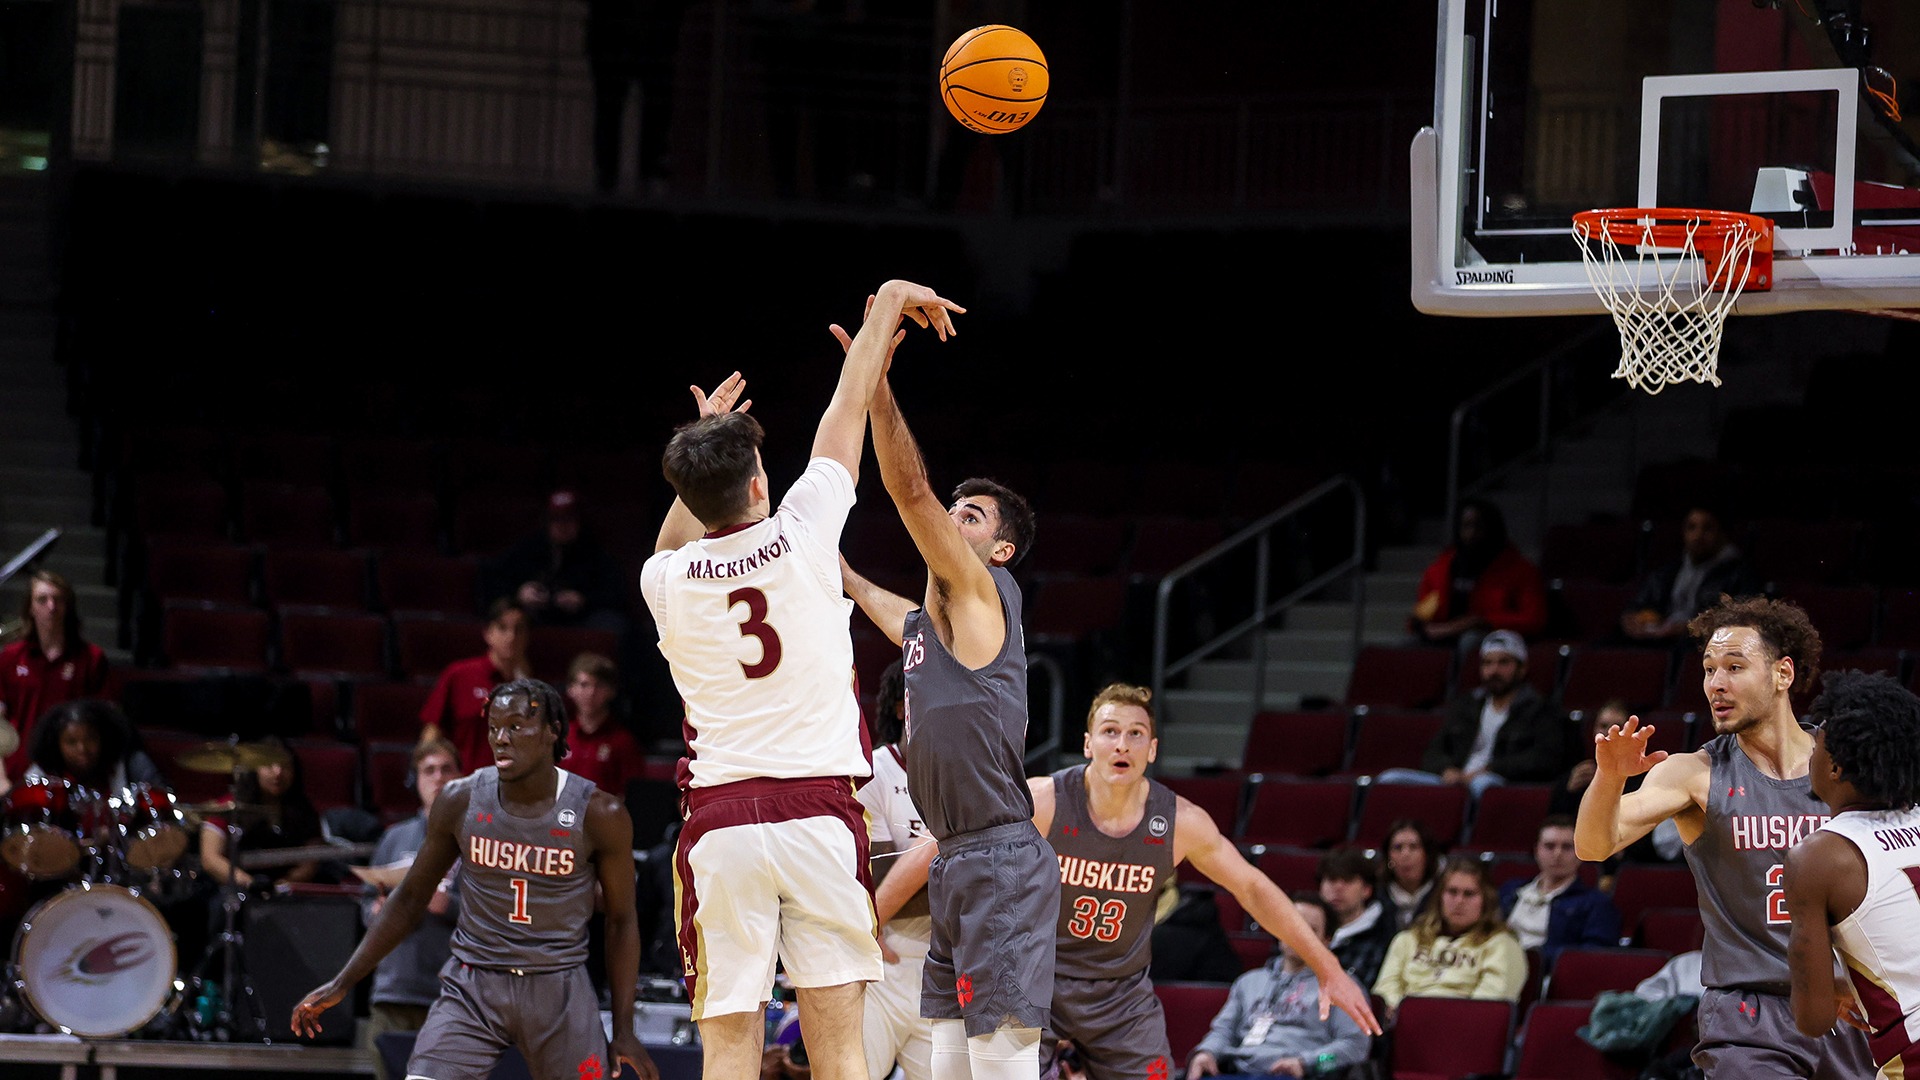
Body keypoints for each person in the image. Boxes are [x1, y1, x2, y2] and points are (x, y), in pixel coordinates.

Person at [641, 279, 962, 1080]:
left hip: (720, 822)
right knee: (840, 1050)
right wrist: (886, 301)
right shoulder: (804, 532)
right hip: (818, 812)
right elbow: (845, 411)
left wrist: (707, 438)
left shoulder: (666, 582)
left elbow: (670, 539)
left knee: (727, 1048)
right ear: (761, 484)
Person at [835, 296, 1058, 1079]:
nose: (951, 520)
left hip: (997, 856)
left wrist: (874, 384)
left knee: (1000, 1065)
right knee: (949, 1068)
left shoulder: (984, 594)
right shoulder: (935, 626)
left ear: (998, 550)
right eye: (955, 512)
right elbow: (883, 603)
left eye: (971, 516)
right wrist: (837, 572)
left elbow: (908, 489)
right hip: (955, 863)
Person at [1572, 594, 1873, 1078]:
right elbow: (1593, 845)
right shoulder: (1695, 773)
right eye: (1710, 669)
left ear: (1783, 674)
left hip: (1851, 1007)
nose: (1717, 683)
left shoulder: (1848, 765)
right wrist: (1609, 777)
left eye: (1735, 666)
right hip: (1749, 1015)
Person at [293, 679, 654, 1080]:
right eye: (494, 727)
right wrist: (344, 981)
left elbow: (622, 921)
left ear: (553, 729)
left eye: (517, 726)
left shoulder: (600, 813)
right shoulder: (460, 799)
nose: (501, 738)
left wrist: (624, 1029)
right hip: (475, 981)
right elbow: (411, 896)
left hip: (558, 985)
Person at [1026, 684, 1378, 1080]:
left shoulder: (1182, 821)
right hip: (1039, 981)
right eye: (1110, 731)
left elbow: (1253, 888)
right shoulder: (1043, 801)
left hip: (1119, 995)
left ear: (1153, 749)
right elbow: (963, 842)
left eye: (1136, 733)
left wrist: (1328, 966)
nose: (1122, 744)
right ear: (1089, 744)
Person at [1784, 670, 1920, 1070]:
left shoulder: (1818, 858)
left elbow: (1814, 1019)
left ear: (1836, 768)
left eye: (1818, 746)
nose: (1810, 753)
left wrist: (1822, 991)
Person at [358, 735, 464, 1080]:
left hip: (449, 995)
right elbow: (365, 903)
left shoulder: (477, 840)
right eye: (428, 770)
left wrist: (447, 904)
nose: (438, 777)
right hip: (394, 989)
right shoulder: (395, 838)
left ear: (460, 776)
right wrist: (376, 912)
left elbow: (495, 915)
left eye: (446, 769)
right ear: (416, 781)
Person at [1185, 894, 1374, 1079]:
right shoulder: (1248, 982)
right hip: (1236, 1070)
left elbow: (1355, 1048)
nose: (1298, 934)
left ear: (1327, 940)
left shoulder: (1343, 988)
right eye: (1292, 924)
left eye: (1310, 930)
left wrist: (1307, 1063)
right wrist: (1206, 1053)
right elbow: (1222, 1031)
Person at [1376, 629, 1568, 802]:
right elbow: (1434, 750)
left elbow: (1544, 758)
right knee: (1389, 779)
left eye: (1503, 663)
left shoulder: (1540, 709)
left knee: (1482, 785)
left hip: (1498, 782)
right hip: (1456, 779)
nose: (1494, 671)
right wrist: (1447, 769)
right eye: (1488, 663)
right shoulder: (1467, 704)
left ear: (1522, 668)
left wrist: (1492, 769)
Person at [859, 659, 935, 1080]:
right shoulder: (873, 773)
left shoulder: (969, 777)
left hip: (946, 967)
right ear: (900, 707)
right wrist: (948, 854)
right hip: (883, 961)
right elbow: (886, 886)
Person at [1371, 859, 1528, 1019]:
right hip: (1404, 1025)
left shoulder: (1502, 944)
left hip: (1465, 1030)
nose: (1459, 901)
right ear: (1440, 897)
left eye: (1469, 894)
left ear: (1486, 900)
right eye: (1452, 892)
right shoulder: (1408, 939)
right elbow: (1385, 989)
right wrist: (1404, 1014)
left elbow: (1489, 1005)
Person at [0, 569, 111, 790]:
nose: (51, 607)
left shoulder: (92, 658)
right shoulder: (9, 658)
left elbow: (102, 726)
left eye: (58, 599)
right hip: (17, 779)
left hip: (73, 781)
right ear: (30, 608)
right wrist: (1, 780)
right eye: (42, 599)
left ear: (68, 606)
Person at [1407, 497, 1546, 658]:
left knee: (1470, 641)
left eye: (1478, 526)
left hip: (1492, 635)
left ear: (1493, 529)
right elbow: (1426, 608)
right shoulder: (1441, 568)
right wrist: (1420, 624)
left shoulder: (1521, 570)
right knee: (1405, 646)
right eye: (1466, 526)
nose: (1471, 534)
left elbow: (1534, 620)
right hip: (1445, 633)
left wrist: (1481, 622)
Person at [582, 0, 694, 194]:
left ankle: (629, 176)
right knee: (616, 111)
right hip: (624, 37)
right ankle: (629, 176)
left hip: (631, 36)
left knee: (628, 110)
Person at [198, 734, 327, 895]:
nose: (278, 772)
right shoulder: (230, 805)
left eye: (285, 766)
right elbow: (210, 858)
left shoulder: (304, 811)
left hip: (286, 892)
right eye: (269, 765)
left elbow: (311, 861)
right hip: (239, 888)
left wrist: (285, 884)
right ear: (254, 769)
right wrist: (251, 884)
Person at [486, 489, 631, 632]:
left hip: (581, 620)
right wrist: (519, 593)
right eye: (556, 520)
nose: (562, 526)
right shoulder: (528, 548)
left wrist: (583, 600)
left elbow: (616, 593)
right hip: (534, 618)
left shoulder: (595, 552)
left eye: (568, 519)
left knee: (611, 622)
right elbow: (493, 579)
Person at [1621, 504, 1763, 647]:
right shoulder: (1668, 572)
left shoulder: (1740, 574)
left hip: (1704, 647)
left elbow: (1741, 621)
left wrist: (1689, 628)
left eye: (1707, 528)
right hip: (1659, 642)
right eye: (1691, 527)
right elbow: (1640, 605)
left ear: (1722, 533)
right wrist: (1631, 620)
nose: (1698, 535)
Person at [419, 598, 532, 774]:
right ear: (488, 633)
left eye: (518, 630)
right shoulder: (460, 675)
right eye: (502, 628)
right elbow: (432, 735)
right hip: (465, 787)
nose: (511, 637)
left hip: (511, 793)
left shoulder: (532, 688)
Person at [1496, 815, 1620, 963]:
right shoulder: (1510, 890)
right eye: (1549, 846)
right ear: (1537, 850)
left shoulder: (1597, 904)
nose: (1557, 854)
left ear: (1580, 852)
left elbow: (1592, 958)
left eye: (1567, 847)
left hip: (1546, 977)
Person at [22, 697, 167, 793]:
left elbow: (162, 804)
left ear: (104, 738)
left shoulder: (132, 764)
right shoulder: (42, 770)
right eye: (71, 742)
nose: (82, 749)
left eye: (90, 739)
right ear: (56, 745)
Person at [561, 651, 647, 796]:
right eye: (584, 684)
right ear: (571, 689)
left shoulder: (623, 742)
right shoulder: (560, 737)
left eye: (599, 686)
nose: (591, 692)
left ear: (611, 691)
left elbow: (634, 795)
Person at [1316, 847, 1400, 991]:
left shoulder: (1384, 935)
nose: (1338, 887)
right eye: (1331, 879)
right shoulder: (1304, 926)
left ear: (1367, 889)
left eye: (1348, 880)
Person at [1379, 819, 1441, 931]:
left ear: (1427, 855)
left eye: (1414, 847)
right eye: (1398, 848)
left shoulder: (1441, 893)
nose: (1405, 854)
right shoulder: (1377, 895)